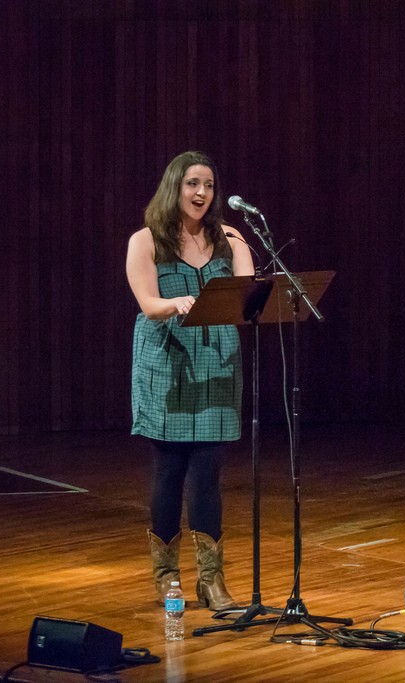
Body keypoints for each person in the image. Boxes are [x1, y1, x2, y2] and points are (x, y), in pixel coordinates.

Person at [126, 151, 254, 610]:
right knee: (169, 470)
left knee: (208, 475)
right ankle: (166, 577)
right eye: (193, 184)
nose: (202, 193)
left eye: (209, 186)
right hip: (167, 363)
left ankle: (211, 580)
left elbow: (246, 296)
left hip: (217, 364)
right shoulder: (146, 241)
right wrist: (176, 301)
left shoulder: (227, 240)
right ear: (174, 187)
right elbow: (147, 301)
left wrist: (242, 249)